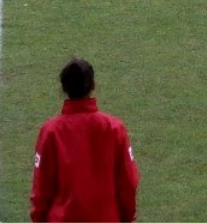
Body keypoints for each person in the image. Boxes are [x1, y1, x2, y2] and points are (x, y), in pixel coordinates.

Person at [30, 58, 140, 223]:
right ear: (93, 85)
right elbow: (128, 183)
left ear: (63, 87)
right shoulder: (115, 129)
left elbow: (41, 189)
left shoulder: (50, 132)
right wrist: (126, 217)